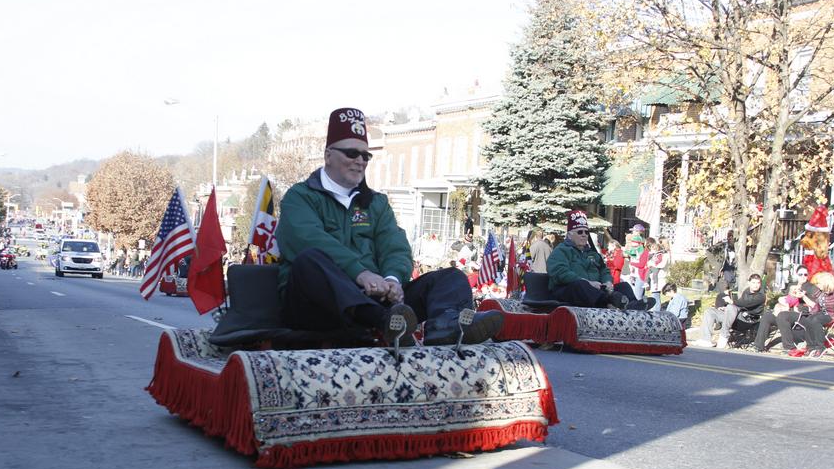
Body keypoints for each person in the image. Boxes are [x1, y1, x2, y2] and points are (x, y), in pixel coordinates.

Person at [275, 107, 503, 346]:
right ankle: (385, 323)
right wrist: (361, 274)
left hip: (378, 298)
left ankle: (447, 324)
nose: (360, 161)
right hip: (315, 305)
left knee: (451, 277)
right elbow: (308, 239)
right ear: (328, 155)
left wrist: (393, 280)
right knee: (309, 260)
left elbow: (394, 246)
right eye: (352, 153)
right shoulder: (300, 197)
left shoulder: (376, 202)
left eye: (366, 156)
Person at [546, 209, 644, 310]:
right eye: (580, 232)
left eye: (586, 232)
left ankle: (633, 306)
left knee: (624, 286)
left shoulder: (592, 253)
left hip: (596, 290)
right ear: (570, 235)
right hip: (568, 290)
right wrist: (587, 282)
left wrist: (607, 282)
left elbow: (603, 269)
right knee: (580, 285)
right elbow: (559, 272)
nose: (584, 234)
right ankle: (608, 301)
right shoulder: (561, 250)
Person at [776, 271, 834, 358]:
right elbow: (817, 306)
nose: (817, 286)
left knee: (815, 320)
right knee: (809, 319)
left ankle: (820, 347)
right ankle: (811, 346)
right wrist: (810, 313)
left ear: (825, 282)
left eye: (818, 283)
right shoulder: (821, 292)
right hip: (823, 313)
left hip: (833, 314)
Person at [694, 273, 766, 348]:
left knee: (731, 307)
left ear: (760, 284)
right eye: (753, 282)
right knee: (710, 311)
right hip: (734, 317)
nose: (756, 285)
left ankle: (724, 336)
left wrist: (732, 302)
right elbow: (740, 304)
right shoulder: (747, 291)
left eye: (758, 283)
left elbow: (746, 303)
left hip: (747, 321)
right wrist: (726, 309)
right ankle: (706, 339)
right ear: (749, 283)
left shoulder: (761, 296)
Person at [753, 265, 814, 352]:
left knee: (783, 315)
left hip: (800, 314)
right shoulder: (791, 285)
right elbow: (783, 298)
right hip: (785, 311)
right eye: (801, 274)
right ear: (797, 275)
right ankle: (759, 346)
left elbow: (813, 306)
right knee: (767, 316)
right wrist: (780, 303)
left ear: (808, 275)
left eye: (805, 274)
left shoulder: (811, 288)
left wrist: (803, 296)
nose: (803, 276)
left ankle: (789, 347)